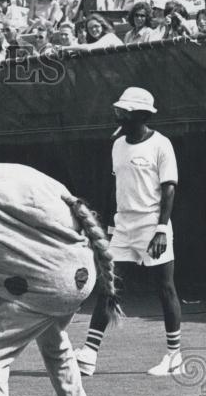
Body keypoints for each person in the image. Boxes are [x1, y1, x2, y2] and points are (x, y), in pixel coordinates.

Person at [76, 87, 183, 378]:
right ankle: (88, 353)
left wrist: (161, 228)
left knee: (165, 288)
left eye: (123, 110)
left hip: (153, 225)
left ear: (137, 114)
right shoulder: (117, 145)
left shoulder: (162, 145)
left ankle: (174, 356)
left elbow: (169, 188)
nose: (117, 113)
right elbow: (118, 188)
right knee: (110, 287)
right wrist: (110, 227)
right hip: (123, 226)